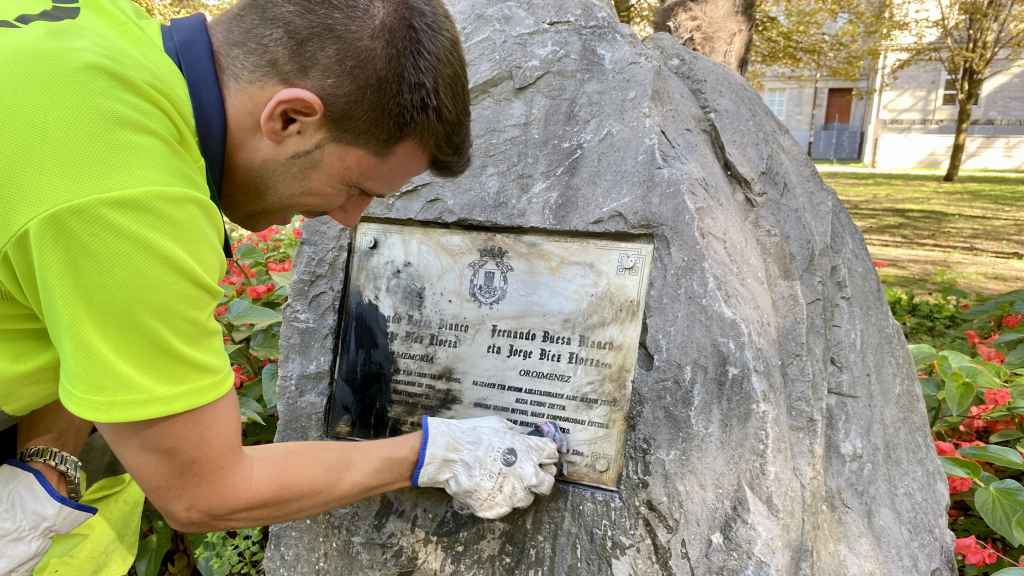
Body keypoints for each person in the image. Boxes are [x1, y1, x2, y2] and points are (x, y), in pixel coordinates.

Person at [0, 0, 559, 572]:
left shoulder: (93, 26)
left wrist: (44, 461)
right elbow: (203, 491)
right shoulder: (130, 204)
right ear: (290, 119)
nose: (349, 218)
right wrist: (437, 454)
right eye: (356, 187)